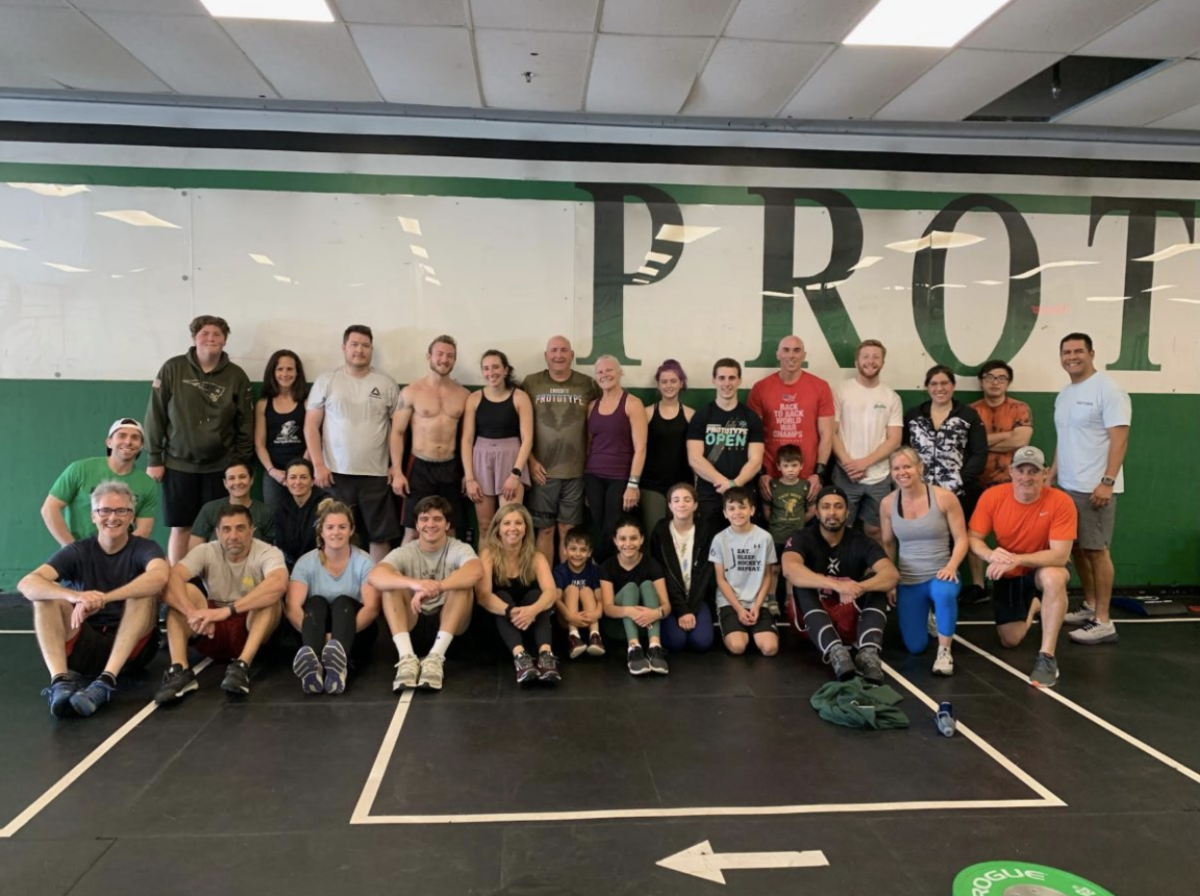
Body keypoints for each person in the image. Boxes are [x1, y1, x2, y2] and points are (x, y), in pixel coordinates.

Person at [19, 482, 166, 718]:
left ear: (131, 517)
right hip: (86, 645)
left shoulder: (145, 548)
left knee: (144, 591)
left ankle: (105, 683)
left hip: (133, 650)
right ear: (94, 516)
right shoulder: (78, 550)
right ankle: (60, 682)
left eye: (121, 511)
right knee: (44, 598)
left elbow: (159, 577)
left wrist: (103, 598)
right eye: (105, 511)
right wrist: (75, 596)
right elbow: (27, 584)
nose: (112, 517)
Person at [144, 315, 254, 564]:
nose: (211, 338)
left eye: (217, 334)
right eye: (205, 333)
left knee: (219, 528)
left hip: (220, 467)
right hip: (177, 464)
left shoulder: (236, 376)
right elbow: (156, 415)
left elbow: (246, 422)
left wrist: (240, 462)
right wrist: (154, 458)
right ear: (195, 338)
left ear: (225, 340)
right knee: (181, 527)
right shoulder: (173, 368)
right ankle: (177, 584)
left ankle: (213, 586)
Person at [156, 503, 287, 702]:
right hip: (210, 627)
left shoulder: (268, 552)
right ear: (217, 532)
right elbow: (171, 579)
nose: (233, 536)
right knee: (183, 591)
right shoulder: (206, 550)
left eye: (240, 528)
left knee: (270, 599)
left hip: (249, 627)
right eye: (226, 529)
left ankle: (242, 667)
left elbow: (279, 583)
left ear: (252, 531)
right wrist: (191, 612)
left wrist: (227, 611)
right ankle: (180, 670)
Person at [968, 446, 1076, 688]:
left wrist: (1017, 559)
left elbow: (1059, 556)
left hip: (1042, 566)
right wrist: (990, 554)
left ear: (1045, 473)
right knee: (1010, 640)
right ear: (1011, 471)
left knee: (1054, 577)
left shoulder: (1061, 502)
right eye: (1021, 470)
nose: (1026, 477)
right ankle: (1038, 604)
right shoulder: (993, 497)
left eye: (1033, 471)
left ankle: (1047, 657)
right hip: (1010, 572)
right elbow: (973, 538)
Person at [1052, 333, 1132, 647]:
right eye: (1066, 352)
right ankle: (1088, 606)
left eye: (1078, 351)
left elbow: (1120, 440)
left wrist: (1108, 481)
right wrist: (1052, 474)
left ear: (1091, 353)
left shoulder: (1109, 390)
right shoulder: (1066, 393)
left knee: (1098, 551)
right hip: (1067, 485)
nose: (1072, 357)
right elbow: (1065, 438)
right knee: (1077, 549)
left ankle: (1103, 621)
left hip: (1095, 488)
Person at [781, 486, 900, 683]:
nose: (832, 512)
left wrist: (860, 587)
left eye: (838, 507)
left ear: (847, 511)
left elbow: (891, 575)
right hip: (811, 621)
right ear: (817, 512)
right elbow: (789, 569)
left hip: (847, 615)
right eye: (826, 507)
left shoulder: (861, 541)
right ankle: (836, 652)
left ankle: (868, 653)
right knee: (801, 582)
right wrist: (837, 585)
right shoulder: (802, 537)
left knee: (876, 584)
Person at [368, 496, 483, 693]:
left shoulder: (458, 548)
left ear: (447, 524)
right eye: (424, 519)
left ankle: (435, 659)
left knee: (462, 581)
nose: (430, 524)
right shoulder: (406, 551)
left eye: (437, 519)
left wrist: (438, 586)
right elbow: (375, 576)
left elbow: (476, 571)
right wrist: (417, 584)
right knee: (391, 584)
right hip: (414, 624)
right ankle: (406, 658)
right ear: (417, 525)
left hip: (449, 628)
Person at [305, 325, 400, 562]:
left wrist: (395, 466)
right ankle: (338, 588)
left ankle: (376, 592)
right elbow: (310, 426)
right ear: (344, 347)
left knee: (379, 536)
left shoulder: (387, 383)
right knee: (334, 534)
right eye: (354, 345)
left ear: (371, 349)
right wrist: (318, 465)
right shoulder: (327, 380)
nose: (360, 350)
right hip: (334, 473)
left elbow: (397, 431)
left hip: (376, 474)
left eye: (365, 345)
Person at [879, 448, 968, 676]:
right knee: (915, 647)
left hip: (941, 574)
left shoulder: (944, 498)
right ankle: (928, 618)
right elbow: (888, 544)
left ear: (920, 468)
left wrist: (951, 566)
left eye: (907, 466)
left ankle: (944, 651)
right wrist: (890, 581)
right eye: (896, 468)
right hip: (909, 580)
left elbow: (961, 539)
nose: (902, 472)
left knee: (944, 593)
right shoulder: (888, 504)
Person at [285, 499, 380, 695]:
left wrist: (337, 639)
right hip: (313, 630)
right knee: (316, 602)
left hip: (354, 633)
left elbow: (371, 608)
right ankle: (315, 666)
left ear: (351, 530)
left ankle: (339, 664)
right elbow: (292, 607)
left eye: (342, 527)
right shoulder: (306, 563)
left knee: (342, 602)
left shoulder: (364, 561)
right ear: (321, 531)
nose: (336, 532)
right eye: (330, 527)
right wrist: (319, 638)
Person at [522, 336, 601, 563]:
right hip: (542, 472)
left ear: (572, 355)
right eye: (554, 351)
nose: (558, 355)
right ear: (546, 356)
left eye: (563, 350)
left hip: (576, 473)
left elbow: (597, 424)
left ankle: (565, 584)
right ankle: (546, 584)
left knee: (568, 530)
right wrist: (530, 461)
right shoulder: (531, 383)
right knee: (545, 530)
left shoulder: (587, 384)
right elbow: (520, 427)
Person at [391, 335, 470, 543]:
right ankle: (403, 576)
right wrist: (397, 470)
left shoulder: (463, 394)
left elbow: (468, 438)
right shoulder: (411, 392)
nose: (444, 359)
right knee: (413, 529)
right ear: (429, 356)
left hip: (450, 467)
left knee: (450, 530)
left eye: (450, 356)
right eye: (440, 354)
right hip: (419, 467)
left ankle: (450, 576)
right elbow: (397, 433)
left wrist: (467, 474)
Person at [965, 359, 1033, 604]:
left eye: (1001, 378)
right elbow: (967, 444)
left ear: (1008, 382)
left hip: (1011, 481)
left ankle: (1017, 579)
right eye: (990, 377)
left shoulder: (1020, 408)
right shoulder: (969, 410)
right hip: (977, 481)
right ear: (982, 381)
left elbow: (1020, 441)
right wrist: (1007, 436)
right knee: (973, 532)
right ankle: (978, 586)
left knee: (1013, 533)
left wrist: (982, 440)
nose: (995, 382)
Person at [476, 504, 562, 685]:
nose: (512, 528)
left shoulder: (536, 557)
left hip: (530, 623)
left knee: (537, 595)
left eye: (518, 523)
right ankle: (521, 658)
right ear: (498, 528)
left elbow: (551, 592)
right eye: (507, 523)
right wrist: (510, 611)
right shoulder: (488, 555)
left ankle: (545, 655)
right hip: (500, 625)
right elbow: (483, 596)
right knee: (501, 595)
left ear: (526, 529)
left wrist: (532, 610)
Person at [42, 418, 159, 546]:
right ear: (109, 442)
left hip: (120, 557)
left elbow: (144, 529)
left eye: (135, 438)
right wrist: (71, 548)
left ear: (141, 446)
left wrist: (122, 556)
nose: (128, 442)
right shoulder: (79, 469)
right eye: (122, 436)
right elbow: (49, 508)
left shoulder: (147, 484)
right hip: (80, 553)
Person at [830, 339, 903, 542]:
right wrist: (849, 464)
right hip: (845, 475)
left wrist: (864, 463)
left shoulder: (891, 397)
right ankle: (840, 574)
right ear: (857, 361)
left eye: (876, 357)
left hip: (879, 477)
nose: (870, 361)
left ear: (882, 362)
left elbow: (894, 439)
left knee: (875, 531)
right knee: (840, 529)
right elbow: (831, 433)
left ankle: (875, 574)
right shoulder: (840, 391)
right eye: (866, 356)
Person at [461, 349, 534, 548]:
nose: (490, 372)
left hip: (511, 460)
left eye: (495, 367)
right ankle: (485, 576)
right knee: (485, 526)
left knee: (511, 527)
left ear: (505, 370)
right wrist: (469, 478)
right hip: (481, 461)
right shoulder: (474, 399)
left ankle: (512, 577)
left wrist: (515, 474)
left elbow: (527, 439)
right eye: (486, 368)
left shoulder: (520, 397)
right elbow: (467, 440)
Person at [748, 335, 835, 498]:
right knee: (770, 522)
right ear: (778, 354)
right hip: (771, 476)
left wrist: (819, 473)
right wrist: (761, 473)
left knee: (806, 522)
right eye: (786, 350)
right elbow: (753, 435)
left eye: (797, 350)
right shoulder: (760, 388)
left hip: (807, 476)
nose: (791, 355)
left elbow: (827, 434)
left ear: (804, 355)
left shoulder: (821, 387)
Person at [903, 365, 987, 526]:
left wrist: (958, 480)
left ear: (953, 385)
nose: (939, 388)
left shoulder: (968, 415)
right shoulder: (914, 415)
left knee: (957, 540)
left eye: (945, 383)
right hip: (919, 491)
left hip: (958, 493)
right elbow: (903, 450)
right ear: (927, 387)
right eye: (934, 384)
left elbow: (980, 453)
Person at [687, 358, 765, 530]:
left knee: (742, 547)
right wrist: (722, 482)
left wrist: (734, 484)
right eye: (722, 378)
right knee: (710, 546)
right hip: (710, 494)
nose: (727, 383)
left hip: (743, 493)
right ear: (714, 380)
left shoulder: (751, 418)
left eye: (732, 378)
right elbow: (694, 458)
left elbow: (756, 460)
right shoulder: (701, 416)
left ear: (739, 381)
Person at [584, 355, 648, 561]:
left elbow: (641, 448)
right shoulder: (592, 406)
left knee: (612, 527)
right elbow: (589, 444)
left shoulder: (632, 404)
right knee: (598, 524)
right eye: (600, 372)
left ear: (620, 373)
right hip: (593, 475)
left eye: (609, 370)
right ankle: (604, 575)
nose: (605, 375)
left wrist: (633, 484)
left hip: (620, 477)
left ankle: (601, 568)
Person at [709, 488, 779, 657]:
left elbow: (767, 576)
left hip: (758, 601)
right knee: (738, 647)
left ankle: (758, 630)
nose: (737, 512)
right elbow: (721, 579)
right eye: (731, 508)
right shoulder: (719, 539)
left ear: (752, 510)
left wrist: (756, 605)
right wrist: (739, 609)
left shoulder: (764, 538)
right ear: (725, 513)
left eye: (742, 507)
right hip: (731, 602)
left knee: (770, 649)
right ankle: (740, 629)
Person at [649, 483, 716, 654]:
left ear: (695, 504)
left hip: (697, 598)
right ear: (670, 505)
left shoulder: (705, 530)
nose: (681, 504)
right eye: (676, 500)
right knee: (675, 642)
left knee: (702, 642)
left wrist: (691, 610)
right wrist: (681, 610)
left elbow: (704, 574)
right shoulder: (661, 530)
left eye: (687, 500)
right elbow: (663, 573)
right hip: (671, 600)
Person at [600, 516, 670, 676]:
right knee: (631, 587)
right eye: (622, 539)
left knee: (647, 585)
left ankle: (654, 646)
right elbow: (608, 609)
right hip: (618, 629)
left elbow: (666, 606)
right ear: (615, 541)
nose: (628, 543)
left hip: (647, 625)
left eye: (633, 538)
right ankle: (633, 648)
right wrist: (630, 611)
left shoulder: (652, 564)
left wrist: (655, 613)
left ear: (641, 540)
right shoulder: (608, 566)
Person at [640, 359, 695, 534]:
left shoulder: (690, 415)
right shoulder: (647, 413)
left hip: (681, 484)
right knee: (653, 533)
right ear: (658, 384)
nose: (669, 385)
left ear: (681, 383)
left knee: (679, 535)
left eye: (673, 381)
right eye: (664, 381)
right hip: (651, 485)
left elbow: (696, 455)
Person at [254, 349, 309, 512]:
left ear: (297, 372)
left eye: (290, 369)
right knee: (275, 522)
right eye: (280, 369)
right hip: (274, 474)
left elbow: (314, 439)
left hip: (303, 471)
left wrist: (300, 469)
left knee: (306, 518)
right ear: (272, 372)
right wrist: (272, 471)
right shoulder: (263, 404)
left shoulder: (307, 403)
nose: (285, 373)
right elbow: (259, 444)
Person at [766, 444, 812, 616]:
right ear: (779, 467)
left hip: (796, 537)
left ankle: (790, 600)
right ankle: (771, 599)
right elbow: (767, 511)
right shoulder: (774, 486)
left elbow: (812, 510)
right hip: (776, 535)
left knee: (791, 570)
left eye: (794, 465)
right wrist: (777, 524)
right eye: (786, 466)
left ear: (801, 465)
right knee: (774, 569)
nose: (790, 470)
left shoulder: (805, 486)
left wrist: (798, 523)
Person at [189, 461, 276, 549]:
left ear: (251, 480)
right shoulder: (210, 509)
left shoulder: (265, 511)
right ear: (225, 483)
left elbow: (269, 550)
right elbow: (195, 548)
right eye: (231, 478)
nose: (237, 482)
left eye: (242, 477)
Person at [552, 527, 605, 658]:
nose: (577, 554)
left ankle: (595, 636)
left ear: (589, 552)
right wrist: (570, 616)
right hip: (567, 617)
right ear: (565, 550)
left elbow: (599, 597)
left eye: (583, 550)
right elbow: (556, 599)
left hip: (589, 617)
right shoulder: (560, 571)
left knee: (586, 590)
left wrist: (597, 613)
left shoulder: (594, 570)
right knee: (572, 589)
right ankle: (573, 637)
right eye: (573, 549)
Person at [273, 458, 330, 569]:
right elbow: (281, 546)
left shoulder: (326, 505)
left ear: (313, 481)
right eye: (293, 477)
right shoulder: (282, 509)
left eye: (303, 477)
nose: (297, 482)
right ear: (286, 481)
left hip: (323, 567)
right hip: (292, 569)